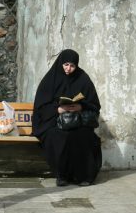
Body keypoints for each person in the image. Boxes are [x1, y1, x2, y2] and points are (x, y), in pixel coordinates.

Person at [33, 49, 102, 186]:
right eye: (65, 65)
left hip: (78, 122)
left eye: (72, 66)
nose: (68, 69)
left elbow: (94, 104)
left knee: (84, 136)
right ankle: (62, 176)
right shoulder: (50, 79)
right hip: (53, 122)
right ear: (60, 63)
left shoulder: (83, 78)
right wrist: (57, 109)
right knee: (58, 136)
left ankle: (83, 176)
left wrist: (81, 107)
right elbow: (40, 107)